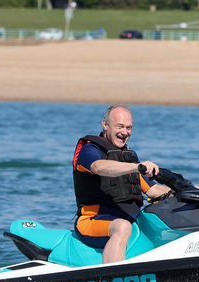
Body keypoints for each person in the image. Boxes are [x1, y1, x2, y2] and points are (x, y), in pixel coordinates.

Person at [73, 104, 172, 264]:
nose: (124, 132)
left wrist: (185, 194)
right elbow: (98, 167)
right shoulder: (89, 150)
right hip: (92, 220)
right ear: (105, 124)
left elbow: (153, 190)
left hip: (130, 219)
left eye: (129, 127)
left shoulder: (128, 156)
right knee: (122, 227)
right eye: (119, 126)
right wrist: (136, 167)